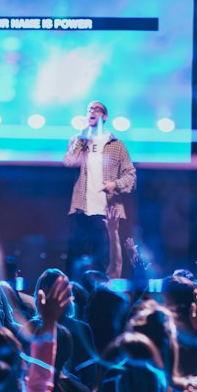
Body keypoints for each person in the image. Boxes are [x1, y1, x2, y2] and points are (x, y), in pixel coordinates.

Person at [64, 100, 136, 280]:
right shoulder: (78, 140)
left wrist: (115, 184)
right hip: (82, 210)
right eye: (89, 109)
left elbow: (131, 176)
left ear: (104, 116)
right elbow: (69, 162)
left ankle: (104, 298)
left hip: (107, 213)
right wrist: (81, 138)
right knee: (75, 260)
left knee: (105, 262)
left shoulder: (116, 145)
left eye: (96, 109)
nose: (91, 112)